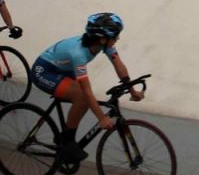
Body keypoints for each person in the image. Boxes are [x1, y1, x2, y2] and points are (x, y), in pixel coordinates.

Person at [30, 12, 143, 165]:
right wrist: (101, 118)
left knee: (83, 96)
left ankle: (66, 136)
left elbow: (119, 65)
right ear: (103, 38)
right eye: (116, 35)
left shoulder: (104, 44)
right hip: (44, 71)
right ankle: (66, 141)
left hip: (63, 68)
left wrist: (132, 91)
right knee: (82, 96)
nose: (118, 38)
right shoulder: (79, 54)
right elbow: (87, 92)